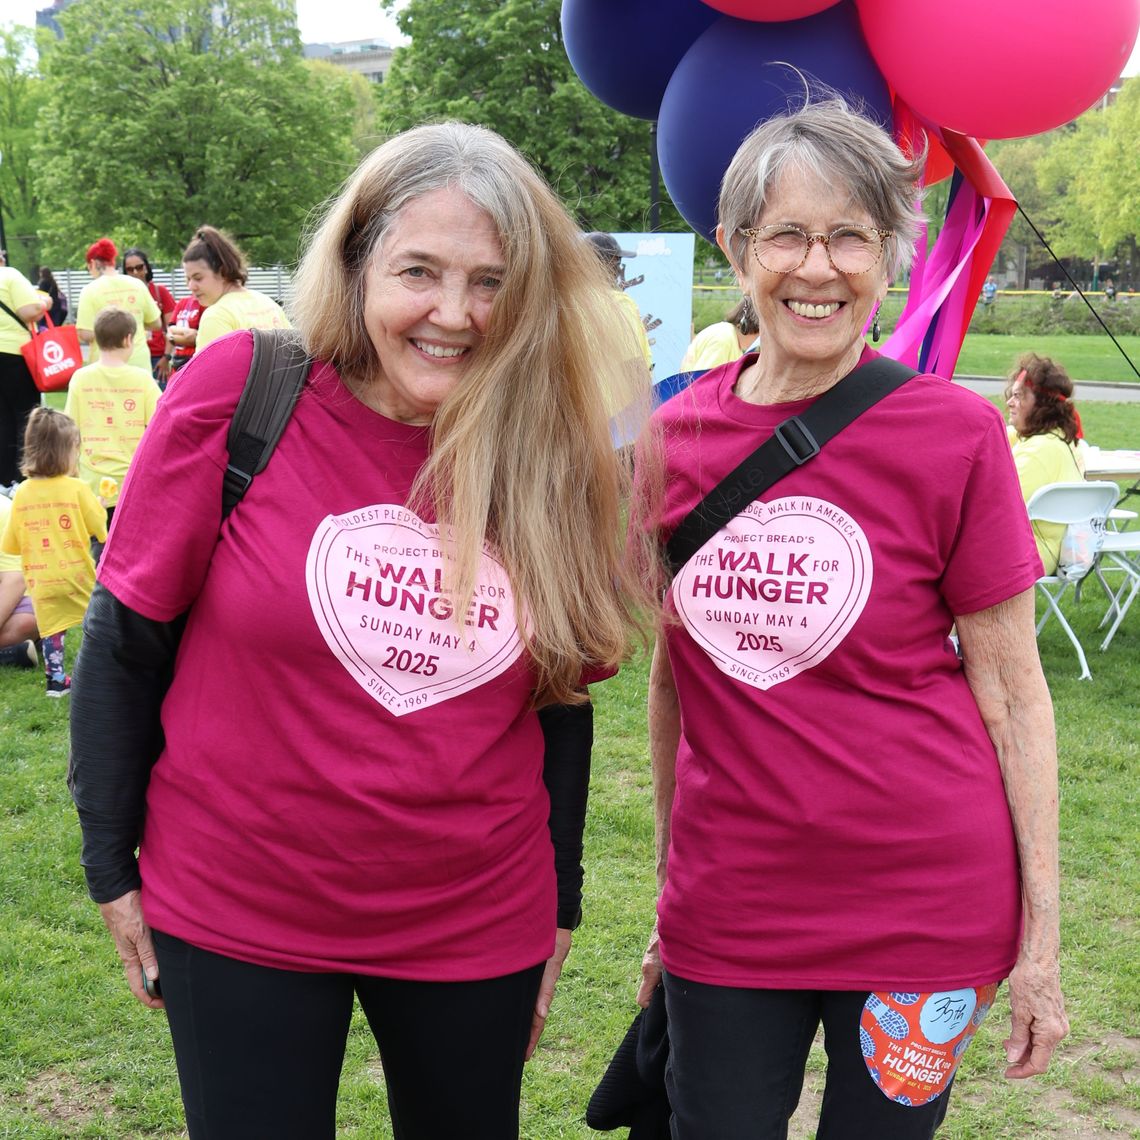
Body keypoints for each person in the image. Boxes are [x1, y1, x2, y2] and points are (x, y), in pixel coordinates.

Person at [69, 121, 650, 1139]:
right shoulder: (245, 394)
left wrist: (559, 903)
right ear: (355, 262)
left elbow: (560, 700)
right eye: (419, 271)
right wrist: (111, 867)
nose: (454, 313)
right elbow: (126, 642)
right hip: (238, 902)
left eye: (491, 282)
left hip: (475, 917)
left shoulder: (552, 455)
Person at [634, 98, 1068, 1140]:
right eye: (785, 234)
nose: (816, 267)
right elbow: (669, 681)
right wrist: (666, 889)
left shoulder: (955, 433)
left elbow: (1011, 690)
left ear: (890, 255)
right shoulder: (669, 438)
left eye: (849, 236)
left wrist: (1041, 947)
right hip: (732, 907)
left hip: (925, 907)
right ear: (737, 250)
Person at [2, 407, 106, 696]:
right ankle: (95, 672)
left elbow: (11, 543)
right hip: (76, 573)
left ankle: (56, 680)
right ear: (65, 453)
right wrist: (98, 504)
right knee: (92, 622)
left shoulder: (21, 492)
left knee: (51, 628)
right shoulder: (78, 489)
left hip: (41, 579)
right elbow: (98, 528)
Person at [64, 306, 161, 539]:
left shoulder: (80, 378)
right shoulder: (143, 380)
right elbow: (160, 427)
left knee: (94, 548)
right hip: (132, 482)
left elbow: (69, 428)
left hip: (91, 482)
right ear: (128, 339)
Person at [1005, 354, 1085, 575]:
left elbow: (995, 504)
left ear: (1041, 405)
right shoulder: (1056, 437)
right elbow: (1007, 434)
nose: (1010, 403)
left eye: (1019, 396)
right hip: (1041, 550)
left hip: (1028, 554)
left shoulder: (1039, 451)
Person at [182, 225, 290, 354]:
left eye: (198, 278)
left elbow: (206, 374)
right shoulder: (268, 303)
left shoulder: (217, 316)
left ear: (222, 271)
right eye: (188, 279)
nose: (191, 286)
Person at [76, 238, 161, 373]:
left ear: (93, 263)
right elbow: (156, 323)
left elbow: (85, 333)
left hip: (105, 364)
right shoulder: (137, 284)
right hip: (138, 362)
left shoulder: (89, 291)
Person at [0, 251, 49, 486]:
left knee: (2, 419)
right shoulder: (9, 275)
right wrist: (44, 302)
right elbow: (29, 310)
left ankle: (3, 479)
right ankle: (23, 476)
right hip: (15, 354)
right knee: (25, 416)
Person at [121, 248, 176, 384]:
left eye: (139, 267)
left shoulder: (160, 292)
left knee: (160, 401)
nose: (135, 272)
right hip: (132, 357)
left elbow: (172, 328)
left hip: (158, 359)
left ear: (146, 267)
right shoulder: (121, 296)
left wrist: (167, 357)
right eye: (130, 269)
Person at [0, 490, 40, 670]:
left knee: (27, 622)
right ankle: (10, 654)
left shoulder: (4, 511)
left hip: (14, 595)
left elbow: (15, 580)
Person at [678, 297, 760, 371]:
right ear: (748, 326)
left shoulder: (732, 341)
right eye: (760, 335)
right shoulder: (724, 339)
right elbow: (706, 381)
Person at [164, 289, 206, 375]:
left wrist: (174, 338)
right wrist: (185, 333)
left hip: (195, 359)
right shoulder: (183, 302)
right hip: (178, 359)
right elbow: (170, 329)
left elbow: (196, 339)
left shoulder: (206, 305)